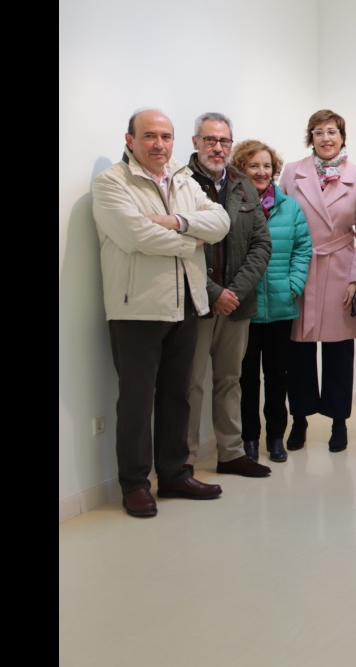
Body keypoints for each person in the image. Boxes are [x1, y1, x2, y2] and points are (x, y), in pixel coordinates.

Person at [92, 109, 229, 517]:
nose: (159, 144)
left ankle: (173, 474)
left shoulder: (184, 179)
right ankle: (134, 484)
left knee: (177, 394)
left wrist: (175, 221)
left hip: (185, 301)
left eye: (166, 136)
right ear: (130, 140)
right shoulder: (110, 183)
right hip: (137, 307)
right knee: (136, 400)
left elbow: (219, 222)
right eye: (149, 136)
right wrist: (191, 240)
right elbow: (135, 234)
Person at [183, 112, 273, 478]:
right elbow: (180, 245)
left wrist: (233, 292)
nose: (217, 148)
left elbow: (261, 243)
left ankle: (231, 454)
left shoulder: (242, 184)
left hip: (236, 304)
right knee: (189, 384)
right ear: (195, 143)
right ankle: (183, 460)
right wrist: (212, 292)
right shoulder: (179, 183)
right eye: (209, 140)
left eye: (223, 141)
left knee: (229, 380)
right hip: (194, 301)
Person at [279, 109, 356, 453]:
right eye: (319, 132)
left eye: (332, 131)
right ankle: (299, 418)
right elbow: (282, 221)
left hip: (341, 268)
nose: (326, 138)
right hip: (300, 267)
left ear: (342, 136)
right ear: (311, 137)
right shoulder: (292, 172)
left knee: (338, 351)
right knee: (298, 349)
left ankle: (338, 422)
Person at [234, 139, 311, 464]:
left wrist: (293, 284)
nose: (262, 172)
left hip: (281, 306)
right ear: (241, 170)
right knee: (246, 378)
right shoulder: (232, 206)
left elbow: (303, 248)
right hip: (245, 310)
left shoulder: (289, 207)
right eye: (254, 166)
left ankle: (276, 437)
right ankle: (250, 439)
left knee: (278, 376)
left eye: (267, 166)